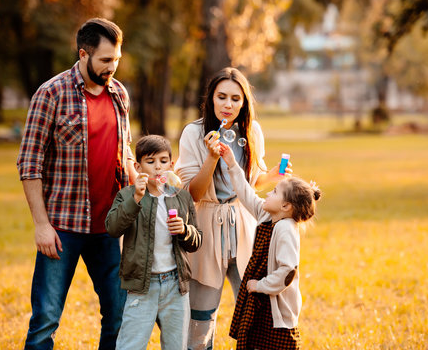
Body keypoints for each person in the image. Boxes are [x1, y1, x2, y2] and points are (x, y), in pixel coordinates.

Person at [17, 18, 137, 350]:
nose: (112, 67)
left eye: (116, 59)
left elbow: (124, 152)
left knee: (119, 315)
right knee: (46, 320)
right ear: (83, 54)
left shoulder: (119, 95)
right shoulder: (50, 93)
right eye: (105, 60)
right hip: (62, 228)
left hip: (110, 228)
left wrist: (138, 187)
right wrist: (42, 225)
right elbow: (29, 163)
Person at [174, 67, 291, 349]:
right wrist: (211, 158)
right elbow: (192, 193)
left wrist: (271, 175)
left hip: (245, 227)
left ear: (244, 102)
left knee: (255, 309)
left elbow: (249, 183)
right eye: (222, 97)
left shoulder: (251, 131)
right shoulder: (193, 132)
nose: (228, 105)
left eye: (236, 99)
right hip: (204, 229)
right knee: (201, 319)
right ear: (211, 99)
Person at [105, 135, 202, 350]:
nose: (158, 167)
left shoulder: (182, 197)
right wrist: (136, 199)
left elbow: (196, 241)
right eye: (150, 162)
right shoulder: (127, 195)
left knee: (176, 345)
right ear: (139, 166)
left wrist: (185, 231)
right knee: (130, 344)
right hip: (142, 285)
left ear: (171, 164)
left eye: (163, 161)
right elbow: (112, 228)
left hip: (176, 285)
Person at [221, 144, 321, 349]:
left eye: (274, 192)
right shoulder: (268, 215)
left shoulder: (286, 228)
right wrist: (231, 163)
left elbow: (287, 271)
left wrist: (260, 286)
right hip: (261, 299)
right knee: (253, 340)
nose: (267, 194)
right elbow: (246, 194)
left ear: (286, 206)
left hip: (275, 305)